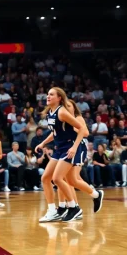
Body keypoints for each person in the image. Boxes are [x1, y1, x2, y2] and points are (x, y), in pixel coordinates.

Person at [35, 87, 102, 223]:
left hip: (70, 147)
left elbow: (83, 130)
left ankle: (74, 207)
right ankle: (53, 210)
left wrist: (74, 147)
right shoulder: (50, 114)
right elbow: (55, 134)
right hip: (60, 148)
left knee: (58, 178)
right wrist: (42, 143)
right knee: (46, 178)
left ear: (59, 98)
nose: (48, 96)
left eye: (51, 94)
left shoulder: (63, 112)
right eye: (47, 94)